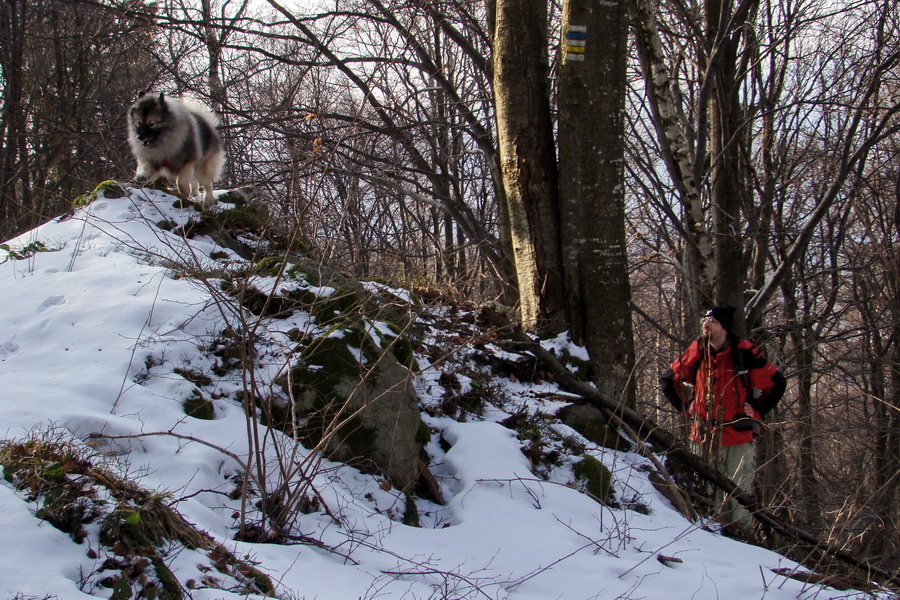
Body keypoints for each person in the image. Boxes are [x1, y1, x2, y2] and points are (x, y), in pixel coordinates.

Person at [660, 306, 786, 532]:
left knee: (739, 494)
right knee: (703, 490)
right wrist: (685, 407)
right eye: (705, 319)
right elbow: (669, 379)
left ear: (725, 327)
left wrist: (757, 411)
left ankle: (742, 540)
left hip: (737, 435)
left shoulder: (743, 351)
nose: (706, 325)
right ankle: (706, 536)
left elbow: (777, 383)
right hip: (701, 435)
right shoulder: (697, 350)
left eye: (713, 321)